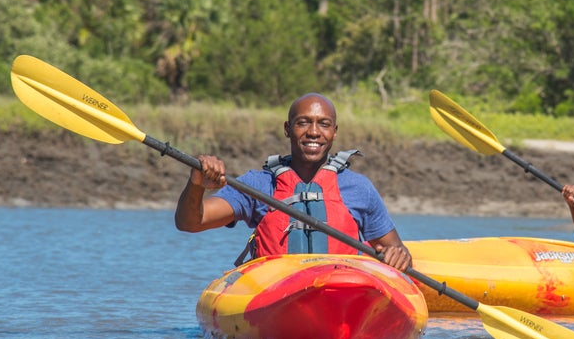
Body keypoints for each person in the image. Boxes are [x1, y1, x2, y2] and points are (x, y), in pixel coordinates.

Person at [174, 92, 412, 272]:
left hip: (342, 296)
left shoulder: (359, 188)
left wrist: (399, 256)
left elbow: (397, 250)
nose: (314, 132)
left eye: (324, 124)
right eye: (303, 122)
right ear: (288, 129)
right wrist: (196, 183)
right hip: (276, 296)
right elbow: (190, 222)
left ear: (335, 132)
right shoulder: (257, 185)